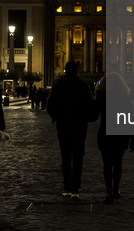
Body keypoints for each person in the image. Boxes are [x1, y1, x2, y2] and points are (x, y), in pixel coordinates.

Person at [46, 61, 96, 201]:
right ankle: (75, 189)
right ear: (78, 70)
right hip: (79, 126)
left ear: (65, 70)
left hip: (63, 127)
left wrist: (57, 118)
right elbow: (90, 106)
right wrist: (87, 118)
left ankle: (66, 187)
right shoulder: (82, 85)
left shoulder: (58, 85)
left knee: (66, 158)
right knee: (78, 158)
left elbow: (49, 106)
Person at [94, 73, 134, 204]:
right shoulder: (125, 97)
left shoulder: (101, 97)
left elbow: (93, 114)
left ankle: (108, 192)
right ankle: (115, 190)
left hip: (105, 133)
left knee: (106, 164)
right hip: (121, 133)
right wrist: (133, 137)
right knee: (117, 163)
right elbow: (131, 118)